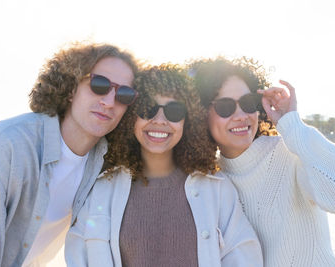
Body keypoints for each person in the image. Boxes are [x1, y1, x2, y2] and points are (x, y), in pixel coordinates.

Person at [0, 42, 139, 266]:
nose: (109, 102)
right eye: (99, 84)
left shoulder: (104, 165)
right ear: (71, 88)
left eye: (125, 94)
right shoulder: (7, 146)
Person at [65, 64, 263, 267]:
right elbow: (78, 257)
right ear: (131, 117)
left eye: (174, 111)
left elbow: (244, 257)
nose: (160, 121)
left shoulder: (217, 189)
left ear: (188, 120)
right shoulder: (103, 189)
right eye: (147, 109)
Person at [191, 57, 335, 266]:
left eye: (248, 103)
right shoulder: (209, 182)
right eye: (225, 106)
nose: (241, 115)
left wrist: (292, 124)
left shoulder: (290, 152)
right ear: (201, 114)